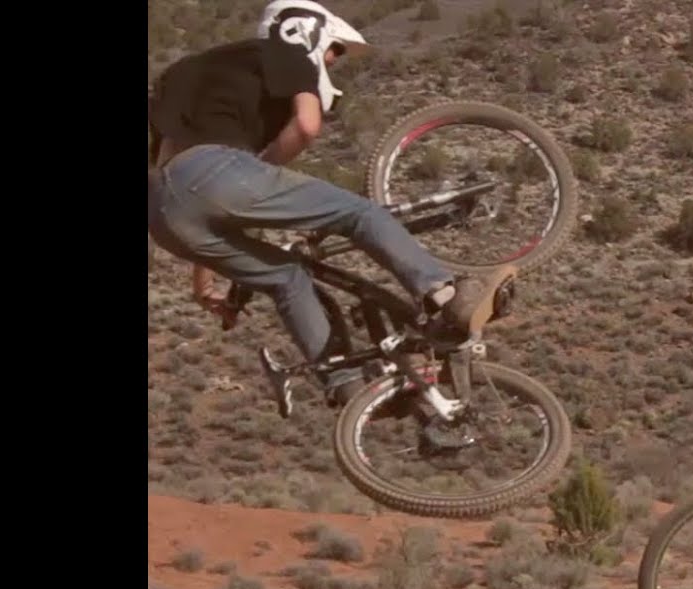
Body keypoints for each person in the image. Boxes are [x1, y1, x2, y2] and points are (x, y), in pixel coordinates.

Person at [147, 0, 517, 408]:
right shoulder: (288, 49)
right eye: (335, 50)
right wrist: (260, 168)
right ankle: (445, 298)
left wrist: (203, 282)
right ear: (307, 31)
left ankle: (348, 388)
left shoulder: (186, 71)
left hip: (164, 211)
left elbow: (186, 183)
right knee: (357, 213)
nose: (333, 61)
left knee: (287, 278)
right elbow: (306, 124)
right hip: (220, 173)